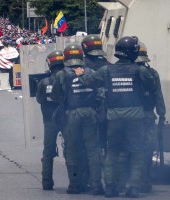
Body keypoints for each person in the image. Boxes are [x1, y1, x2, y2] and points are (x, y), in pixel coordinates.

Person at [74, 36, 155, 198]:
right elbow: (151, 86)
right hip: (135, 117)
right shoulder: (140, 71)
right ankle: (133, 187)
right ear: (133, 52)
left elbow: (89, 82)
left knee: (112, 151)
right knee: (137, 151)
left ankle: (111, 188)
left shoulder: (107, 70)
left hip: (114, 117)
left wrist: (80, 74)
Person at [51, 44, 103, 195]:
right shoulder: (91, 72)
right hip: (90, 113)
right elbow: (100, 94)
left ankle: (74, 185)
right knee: (92, 150)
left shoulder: (62, 74)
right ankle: (96, 185)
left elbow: (55, 96)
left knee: (72, 150)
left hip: (72, 115)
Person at [135, 42, 166, 193]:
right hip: (148, 115)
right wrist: (162, 114)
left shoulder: (127, 72)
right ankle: (144, 180)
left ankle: (134, 180)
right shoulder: (152, 73)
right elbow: (158, 95)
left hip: (132, 116)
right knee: (147, 149)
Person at [36, 50, 64, 190]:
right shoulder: (68, 79)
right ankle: (76, 184)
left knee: (48, 152)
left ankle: (47, 182)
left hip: (49, 119)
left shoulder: (43, 82)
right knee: (72, 149)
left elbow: (39, 99)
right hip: (66, 118)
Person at [81, 34, 110, 157]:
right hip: (108, 107)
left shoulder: (80, 66)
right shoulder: (109, 64)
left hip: (86, 105)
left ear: (84, 47)